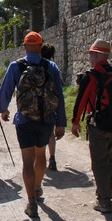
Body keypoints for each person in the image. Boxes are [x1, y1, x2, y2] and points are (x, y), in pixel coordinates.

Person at [0, 32, 66, 218]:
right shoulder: (51, 66)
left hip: (25, 120)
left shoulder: (16, 66)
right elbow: (59, 95)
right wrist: (61, 122)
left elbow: (6, 91)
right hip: (46, 120)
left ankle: (31, 202)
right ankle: (37, 188)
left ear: (25, 47)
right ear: (41, 46)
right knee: (40, 154)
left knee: (27, 161)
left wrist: (3, 109)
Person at [71, 38, 112, 214]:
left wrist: (75, 122)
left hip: (99, 125)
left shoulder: (91, 76)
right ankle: (109, 190)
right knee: (110, 156)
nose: (90, 58)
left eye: (91, 54)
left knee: (99, 162)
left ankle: (104, 201)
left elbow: (81, 100)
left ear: (97, 55)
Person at [41, 43, 60, 172]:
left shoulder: (36, 65)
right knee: (51, 134)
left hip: (35, 104)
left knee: (39, 132)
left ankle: (40, 159)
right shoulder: (53, 67)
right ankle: (52, 158)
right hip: (50, 104)